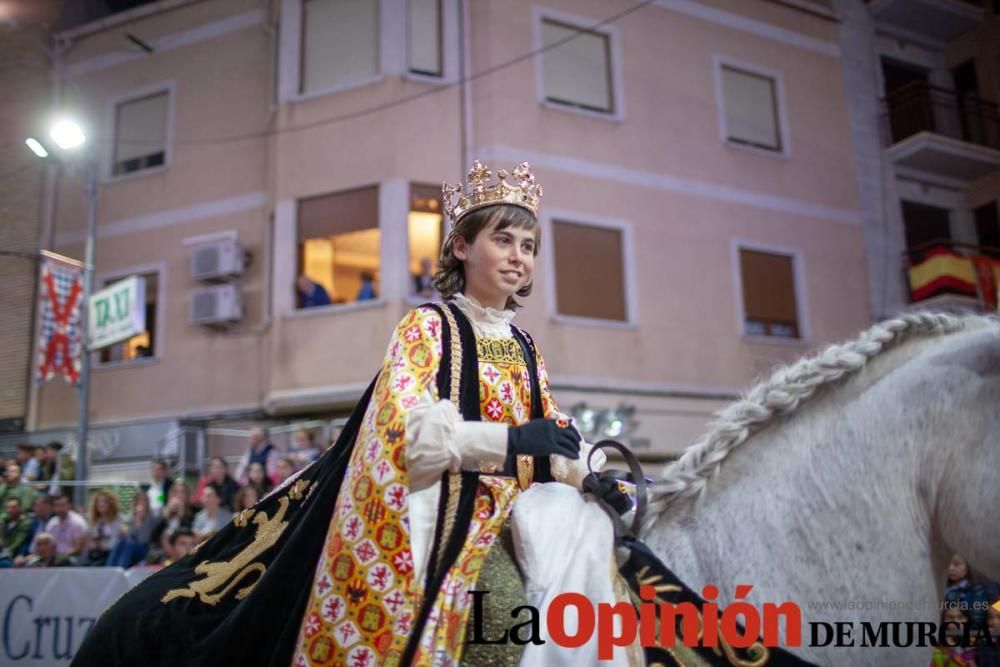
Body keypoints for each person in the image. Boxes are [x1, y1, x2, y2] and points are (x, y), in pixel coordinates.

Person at [70, 162, 627, 667]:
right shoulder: (428, 327)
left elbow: (554, 432)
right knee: (487, 624)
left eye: (528, 245)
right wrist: (508, 441)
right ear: (460, 246)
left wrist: (587, 474)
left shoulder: (525, 343)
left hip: (526, 512)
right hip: (450, 516)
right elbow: (408, 431)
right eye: (502, 239)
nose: (517, 256)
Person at [106, 490, 158, 568]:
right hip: (131, 547)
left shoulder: (151, 517)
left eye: (143, 500)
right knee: (121, 542)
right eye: (138, 500)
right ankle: (109, 569)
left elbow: (143, 539)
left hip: (146, 550)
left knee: (129, 544)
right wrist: (135, 520)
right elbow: (128, 536)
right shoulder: (132, 516)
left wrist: (140, 521)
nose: (141, 503)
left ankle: (121, 569)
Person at [84, 489, 124, 566]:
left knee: (95, 566)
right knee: (83, 565)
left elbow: (115, 542)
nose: (100, 504)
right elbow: (89, 540)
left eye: (104, 501)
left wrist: (103, 544)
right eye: (98, 501)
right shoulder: (94, 520)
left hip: (109, 553)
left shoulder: (116, 520)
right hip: (94, 553)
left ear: (110, 504)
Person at [45, 492, 88, 562]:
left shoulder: (77, 522)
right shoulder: (51, 524)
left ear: (69, 505)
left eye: (63, 505)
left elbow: (78, 549)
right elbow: (48, 546)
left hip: (73, 559)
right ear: (53, 507)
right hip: (54, 558)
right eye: (57, 505)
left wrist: (61, 557)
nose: (60, 509)